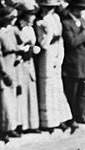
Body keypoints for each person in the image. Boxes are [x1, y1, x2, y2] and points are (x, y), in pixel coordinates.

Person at [35, 0, 73, 133]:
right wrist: (49, 32)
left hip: (57, 51)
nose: (50, 10)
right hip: (47, 54)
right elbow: (43, 44)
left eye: (52, 7)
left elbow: (61, 38)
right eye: (47, 7)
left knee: (57, 85)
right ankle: (48, 121)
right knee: (47, 85)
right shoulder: (39, 22)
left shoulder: (56, 18)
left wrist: (60, 55)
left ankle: (60, 118)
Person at [62, 0, 85, 131]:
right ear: (74, 10)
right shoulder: (66, 23)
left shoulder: (82, 21)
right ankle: (72, 119)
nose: (82, 12)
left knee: (83, 91)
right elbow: (71, 42)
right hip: (74, 63)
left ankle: (80, 115)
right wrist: (83, 33)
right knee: (72, 92)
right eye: (80, 9)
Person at [0, 6, 22, 142]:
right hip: (4, 65)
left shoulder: (13, 30)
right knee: (4, 100)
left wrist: (19, 56)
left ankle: (12, 127)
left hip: (14, 64)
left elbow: (20, 44)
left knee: (13, 98)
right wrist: (4, 72)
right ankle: (2, 129)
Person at [15, 0, 41, 134]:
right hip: (19, 64)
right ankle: (20, 124)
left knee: (30, 91)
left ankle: (32, 123)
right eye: (31, 14)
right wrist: (28, 49)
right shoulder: (17, 29)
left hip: (29, 62)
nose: (34, 17)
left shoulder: (31, 28)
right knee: (21, 93)